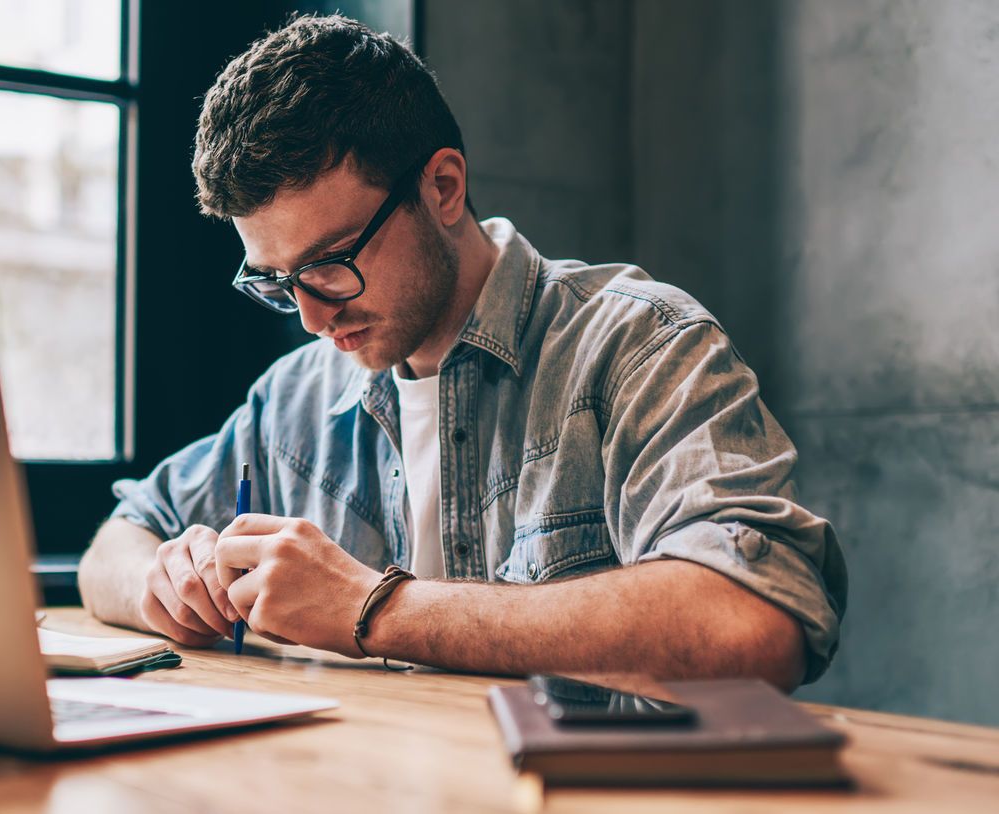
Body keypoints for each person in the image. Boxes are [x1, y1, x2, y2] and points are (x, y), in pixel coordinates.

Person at [78, 14, 847, 690]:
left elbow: (753, 624)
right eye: (279, 282)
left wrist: (373, 609)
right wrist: (163, 580)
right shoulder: (298, 398)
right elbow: (113, 542)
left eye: (331, 265)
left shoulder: (639, 347)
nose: (311, 318)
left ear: (443, 187)